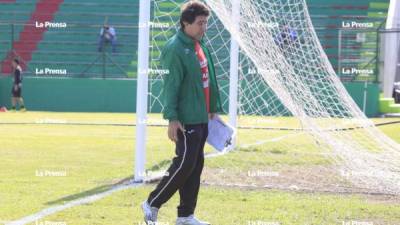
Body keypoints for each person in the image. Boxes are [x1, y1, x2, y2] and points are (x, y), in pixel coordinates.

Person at [141, 1, 222, 225]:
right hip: (186, 119)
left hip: (202, 117)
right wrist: (172, 118)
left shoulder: (200, 44)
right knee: (184, 164)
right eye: (200, 23)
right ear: (185, 22)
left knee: (195, 166)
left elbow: (208, 80)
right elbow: (171, 86)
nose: (204, 27)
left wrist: (213, 107)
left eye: (206, 23)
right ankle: (151, 203)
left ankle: (185, 216)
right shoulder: (174, 48)